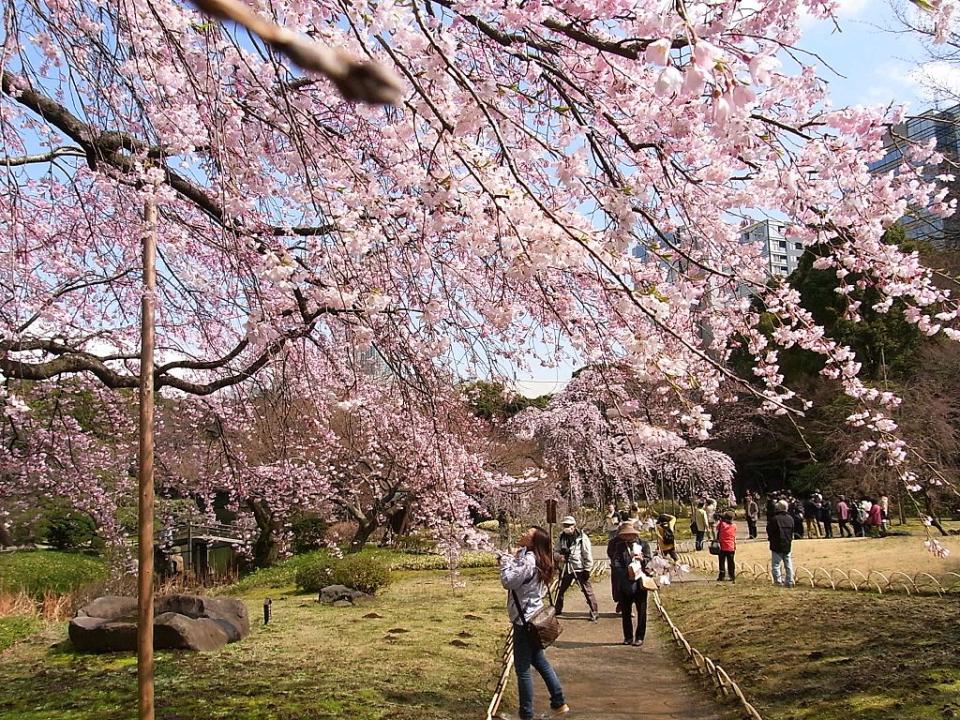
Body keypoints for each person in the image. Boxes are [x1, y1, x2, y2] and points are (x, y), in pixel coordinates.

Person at [499, 526, 570, 720]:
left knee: (522, 669)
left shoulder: (530, 561)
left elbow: (509, 581)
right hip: (533, 615)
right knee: (539, 660)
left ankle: (526, 714)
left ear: (534, 542)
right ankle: (559, 702)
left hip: (525, 621)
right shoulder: (536, 557)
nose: (523, 534)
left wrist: (505, 562)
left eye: (527, 534)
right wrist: (513, 557)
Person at [607, 521, 652, 646]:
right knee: (626, 612)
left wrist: (642, 559)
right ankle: (628, 637)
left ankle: (640, 637)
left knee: (641, 611)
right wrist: (627, 573)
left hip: (640, 583)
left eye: (630, 535)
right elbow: (615, 563)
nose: (627, 537)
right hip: (625, 582)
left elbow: (650, 562)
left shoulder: (644, 544)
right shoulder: (619, 546)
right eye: (625, 535)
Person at [554, 516, 599, 622]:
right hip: (565, 567)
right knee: (560, 590)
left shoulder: (582, 538)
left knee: (587, 590)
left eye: (569, 525)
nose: (567, 527)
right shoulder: (561, 537)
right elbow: (555, 551)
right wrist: (559, 557)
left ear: (574, 526)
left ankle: (594, 611)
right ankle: (557, 609)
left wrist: (587, 569)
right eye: (565, 525)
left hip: (579, 568)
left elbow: (587, 554)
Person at [766, 499, 795, 587]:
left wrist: (770, 538)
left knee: (776, 564)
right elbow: (792, 531)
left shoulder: (774, 519)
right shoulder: (790, 519)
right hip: (787, 543)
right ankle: (789, 581)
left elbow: (769, 530)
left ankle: (778, 581)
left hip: (776, 544)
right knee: (788, 563)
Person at [716, 511, 737, 582]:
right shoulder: (734, 526)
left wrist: (721, 519)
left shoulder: (722, 524)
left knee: (721, 562)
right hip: (731, 546)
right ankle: (732, 575)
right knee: (731, 562)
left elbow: (717, 528)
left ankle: (721, 576)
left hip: (722, 547)